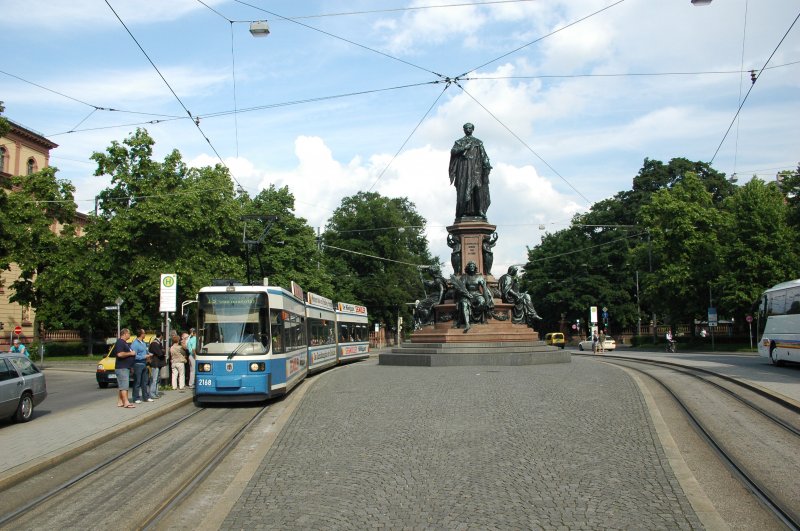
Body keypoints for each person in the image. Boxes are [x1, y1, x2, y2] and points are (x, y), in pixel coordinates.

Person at [449, 122, 492, 220]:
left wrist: (487, 164)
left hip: (476, 169)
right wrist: (464, 148)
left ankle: (480, 210)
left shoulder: (478, 142)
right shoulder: (459, 142)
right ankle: (463, 211)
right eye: (466, 128)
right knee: (464, 190)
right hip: (464, 169)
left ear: (473, 130)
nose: (468, 130)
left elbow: (484, 155)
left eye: (470, 128)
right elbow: (453, 151)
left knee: (478, 189)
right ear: (464, 130)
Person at [451, 260, 493, 332]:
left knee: (482, 302)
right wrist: (467, 294)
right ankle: (467, 324)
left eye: (473, 266)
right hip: (467, 295)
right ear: (468, 268)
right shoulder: (464, 277)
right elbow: (461, 289)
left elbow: (484, 289)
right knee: (464, 304)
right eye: (470, 266)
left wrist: (487, 299)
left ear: (475, 268)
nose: (472, 267)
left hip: (477, 294)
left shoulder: (479, 277)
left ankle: (475, 317)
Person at [113, 328, 136, 408]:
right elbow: (119, 354)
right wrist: (131, 353)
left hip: (126, 367)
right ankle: (126, 402)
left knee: (122, 385)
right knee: (124, 386)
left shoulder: (124, 343)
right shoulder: (120, 342)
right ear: (125, 334)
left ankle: (120, 401)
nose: (130, 335)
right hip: (122, 367)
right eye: (129, 333)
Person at [131, 329, 152, 403]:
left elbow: (146, 351)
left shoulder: (143, 343)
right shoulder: (135, 344)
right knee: (137, 382)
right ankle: (136, 398)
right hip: (138, 364)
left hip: (144, 364)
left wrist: (149, 355)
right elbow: (134, 355)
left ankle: (146, 397)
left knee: (145, 382)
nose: (145, 334)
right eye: (144, 333)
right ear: (141, 334)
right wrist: (144, 356)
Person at [148, 331, 166, 399]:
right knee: (154, 379)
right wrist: (162, 351)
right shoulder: (155, 343)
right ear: (161, 336)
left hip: (158, 363)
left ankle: (156, 392)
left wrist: (162, 351)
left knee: (157, 379)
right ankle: (152, 393)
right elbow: (160, 353)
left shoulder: (157, 343)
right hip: (155, 363)